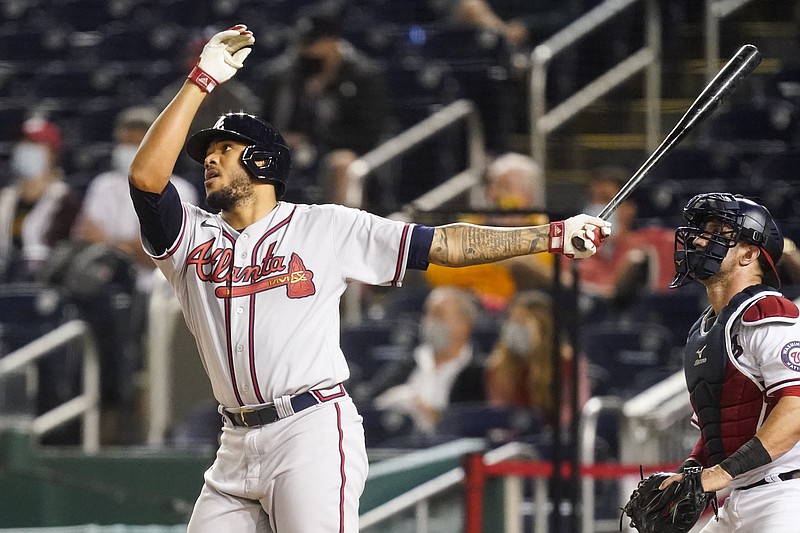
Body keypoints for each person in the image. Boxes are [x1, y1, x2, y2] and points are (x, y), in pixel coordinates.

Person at [127, 25, 610, 532]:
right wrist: (199, 81)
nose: (208, 158)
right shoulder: (191, 238)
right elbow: (145, 179)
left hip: (308, 429)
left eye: (224, 149)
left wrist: (549, 236)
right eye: (209, 152)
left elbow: (444, 243)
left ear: (262, 161)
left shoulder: (326, 226)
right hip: (234, 443)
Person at [658, 192, 800, 532]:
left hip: (786, 494)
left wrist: (717, 475)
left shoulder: (770, 312)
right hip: (738, 500)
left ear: (749, 253)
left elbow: (795, 412)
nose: (699, 238)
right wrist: (690, 472)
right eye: (700, 229)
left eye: (716, 231)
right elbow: (717, 428)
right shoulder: (706, 328)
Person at [258, 6, 390, 206]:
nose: (307, 50)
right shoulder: (282, 76)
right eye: (303, 43)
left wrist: (318, 141)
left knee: (342, 162)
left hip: (344, 153)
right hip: (291, 151)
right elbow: (263, 122)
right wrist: (283, 137)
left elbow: (370, 133)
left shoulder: (362, 76)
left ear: (333, 42)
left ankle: (341, 232)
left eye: (313, 43)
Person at [424, 152, 552, 312]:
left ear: (529, 195)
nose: (495, 194)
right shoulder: (470, 223)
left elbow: (540, 274)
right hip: (471, 304)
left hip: (518, 308)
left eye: (506, 187)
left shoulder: (544, 228)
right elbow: (435, 271)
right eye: (492, 186)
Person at [370, 286, 486, 434]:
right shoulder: (410, 361)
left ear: (465, 325)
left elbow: (476, 424)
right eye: (427, 314)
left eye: (438, 314)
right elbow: (369, 401)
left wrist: (432, 414)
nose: (429, 321)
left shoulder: (479, 372)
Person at [484, 290, 589, 427]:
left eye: (523, 322)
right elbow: (498, 413)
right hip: (512, 438)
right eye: (514, 320)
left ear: (543, 327)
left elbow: (576, 410)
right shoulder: (497, 366)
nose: (516, 328)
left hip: (555, 438)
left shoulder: (568, 363)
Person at [0, 116, 80, 282]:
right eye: (24, 143)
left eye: (35, 144)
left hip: (46, 280)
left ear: (52, 152)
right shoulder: (7, 196)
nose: (27, 149)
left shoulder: (64, 198)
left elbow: (65, 249)